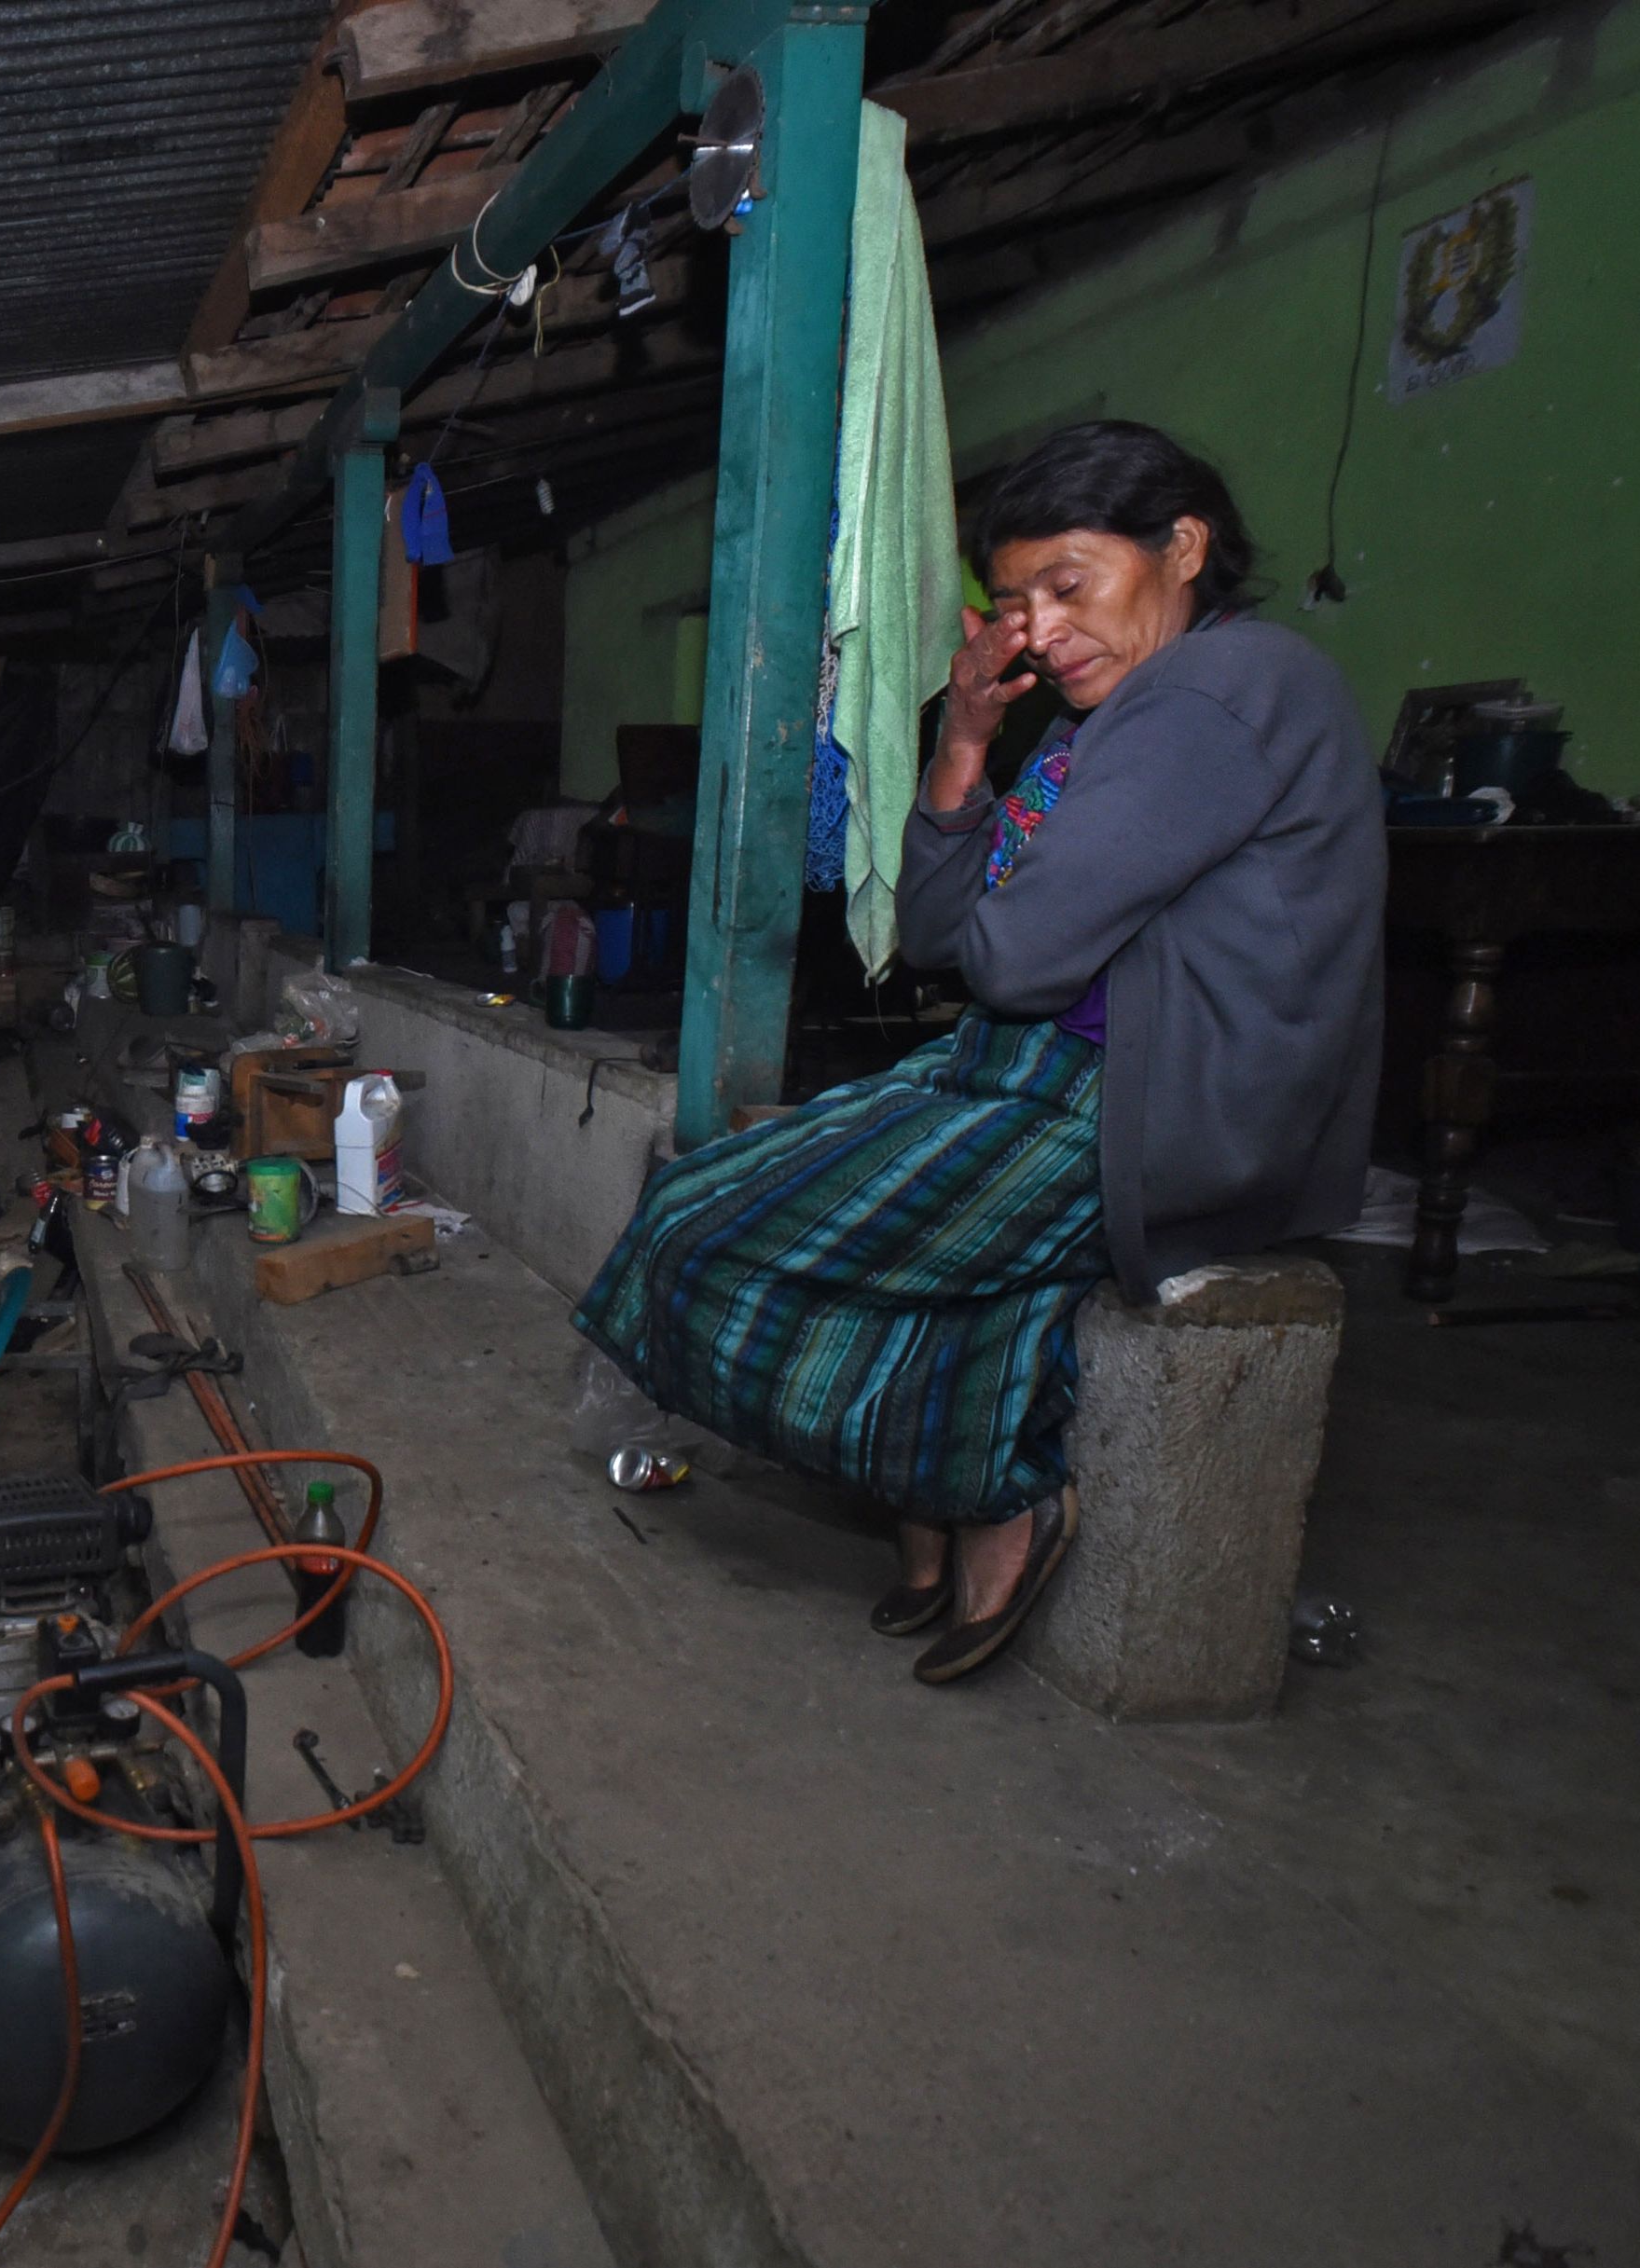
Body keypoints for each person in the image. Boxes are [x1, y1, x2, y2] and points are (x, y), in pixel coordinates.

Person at [575, 420, 1384, 1684]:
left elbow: (1007, 962)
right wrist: (961, 744)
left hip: (1141, 1110)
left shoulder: (1224, 691)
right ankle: (972, 1487)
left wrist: (1004, 924)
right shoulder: (1084, 725)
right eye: (1015, 603)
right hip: (1028, 1067)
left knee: (696, 1222)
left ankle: (956, 1491)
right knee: (864, 1252)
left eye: (1071, 583)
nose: (1044, 627)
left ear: (1182, 547)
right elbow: (946, 934)